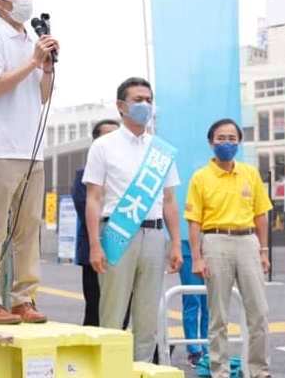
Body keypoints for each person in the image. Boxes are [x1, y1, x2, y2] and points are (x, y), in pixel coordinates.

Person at [0, 0, 59, 324]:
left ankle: (25, 298)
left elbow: (41, 96)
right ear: (0, 0)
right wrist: (33, 62)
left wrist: (47, 69)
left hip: (32, 150)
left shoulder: (31, 41)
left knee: (29, 229)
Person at [83, 77, 183, 361]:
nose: (145, 105)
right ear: (121, 106)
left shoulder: (161, 150)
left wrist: (175, 243)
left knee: (148, 315)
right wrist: (94, 244)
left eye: (149, 100)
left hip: (154, 236)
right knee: (112, 314)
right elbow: (93, 198)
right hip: (116, 231)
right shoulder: (103, 146)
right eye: (138, 100)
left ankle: (141, 369)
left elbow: (170, 201)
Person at [185, 118, 272, 378]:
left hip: (248, 241)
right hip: (215, 241)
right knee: (218, 316)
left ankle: (259, 370)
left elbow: (261, 215)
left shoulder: (250, 173)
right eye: (221, 138)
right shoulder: (201, 177)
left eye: (232, 138)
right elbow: (194, 222)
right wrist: (197, 258)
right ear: (211, 142)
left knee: (259, 312)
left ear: (239, 142)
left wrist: (264, 251)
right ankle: (219, 371)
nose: (226, 143)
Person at [70, 119, 119, 326]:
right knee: (95, 307)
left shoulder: (127, 176)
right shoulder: (84, 176)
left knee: (119, 307)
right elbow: (87, 208)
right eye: (106, 136)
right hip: (94, 250)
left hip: (122, 248)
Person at [179, 238, 209, 368]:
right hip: (188, 247)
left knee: (210, 303)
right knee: (192, 300)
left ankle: (208, 347)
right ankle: (194, 350)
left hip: (212, 247)